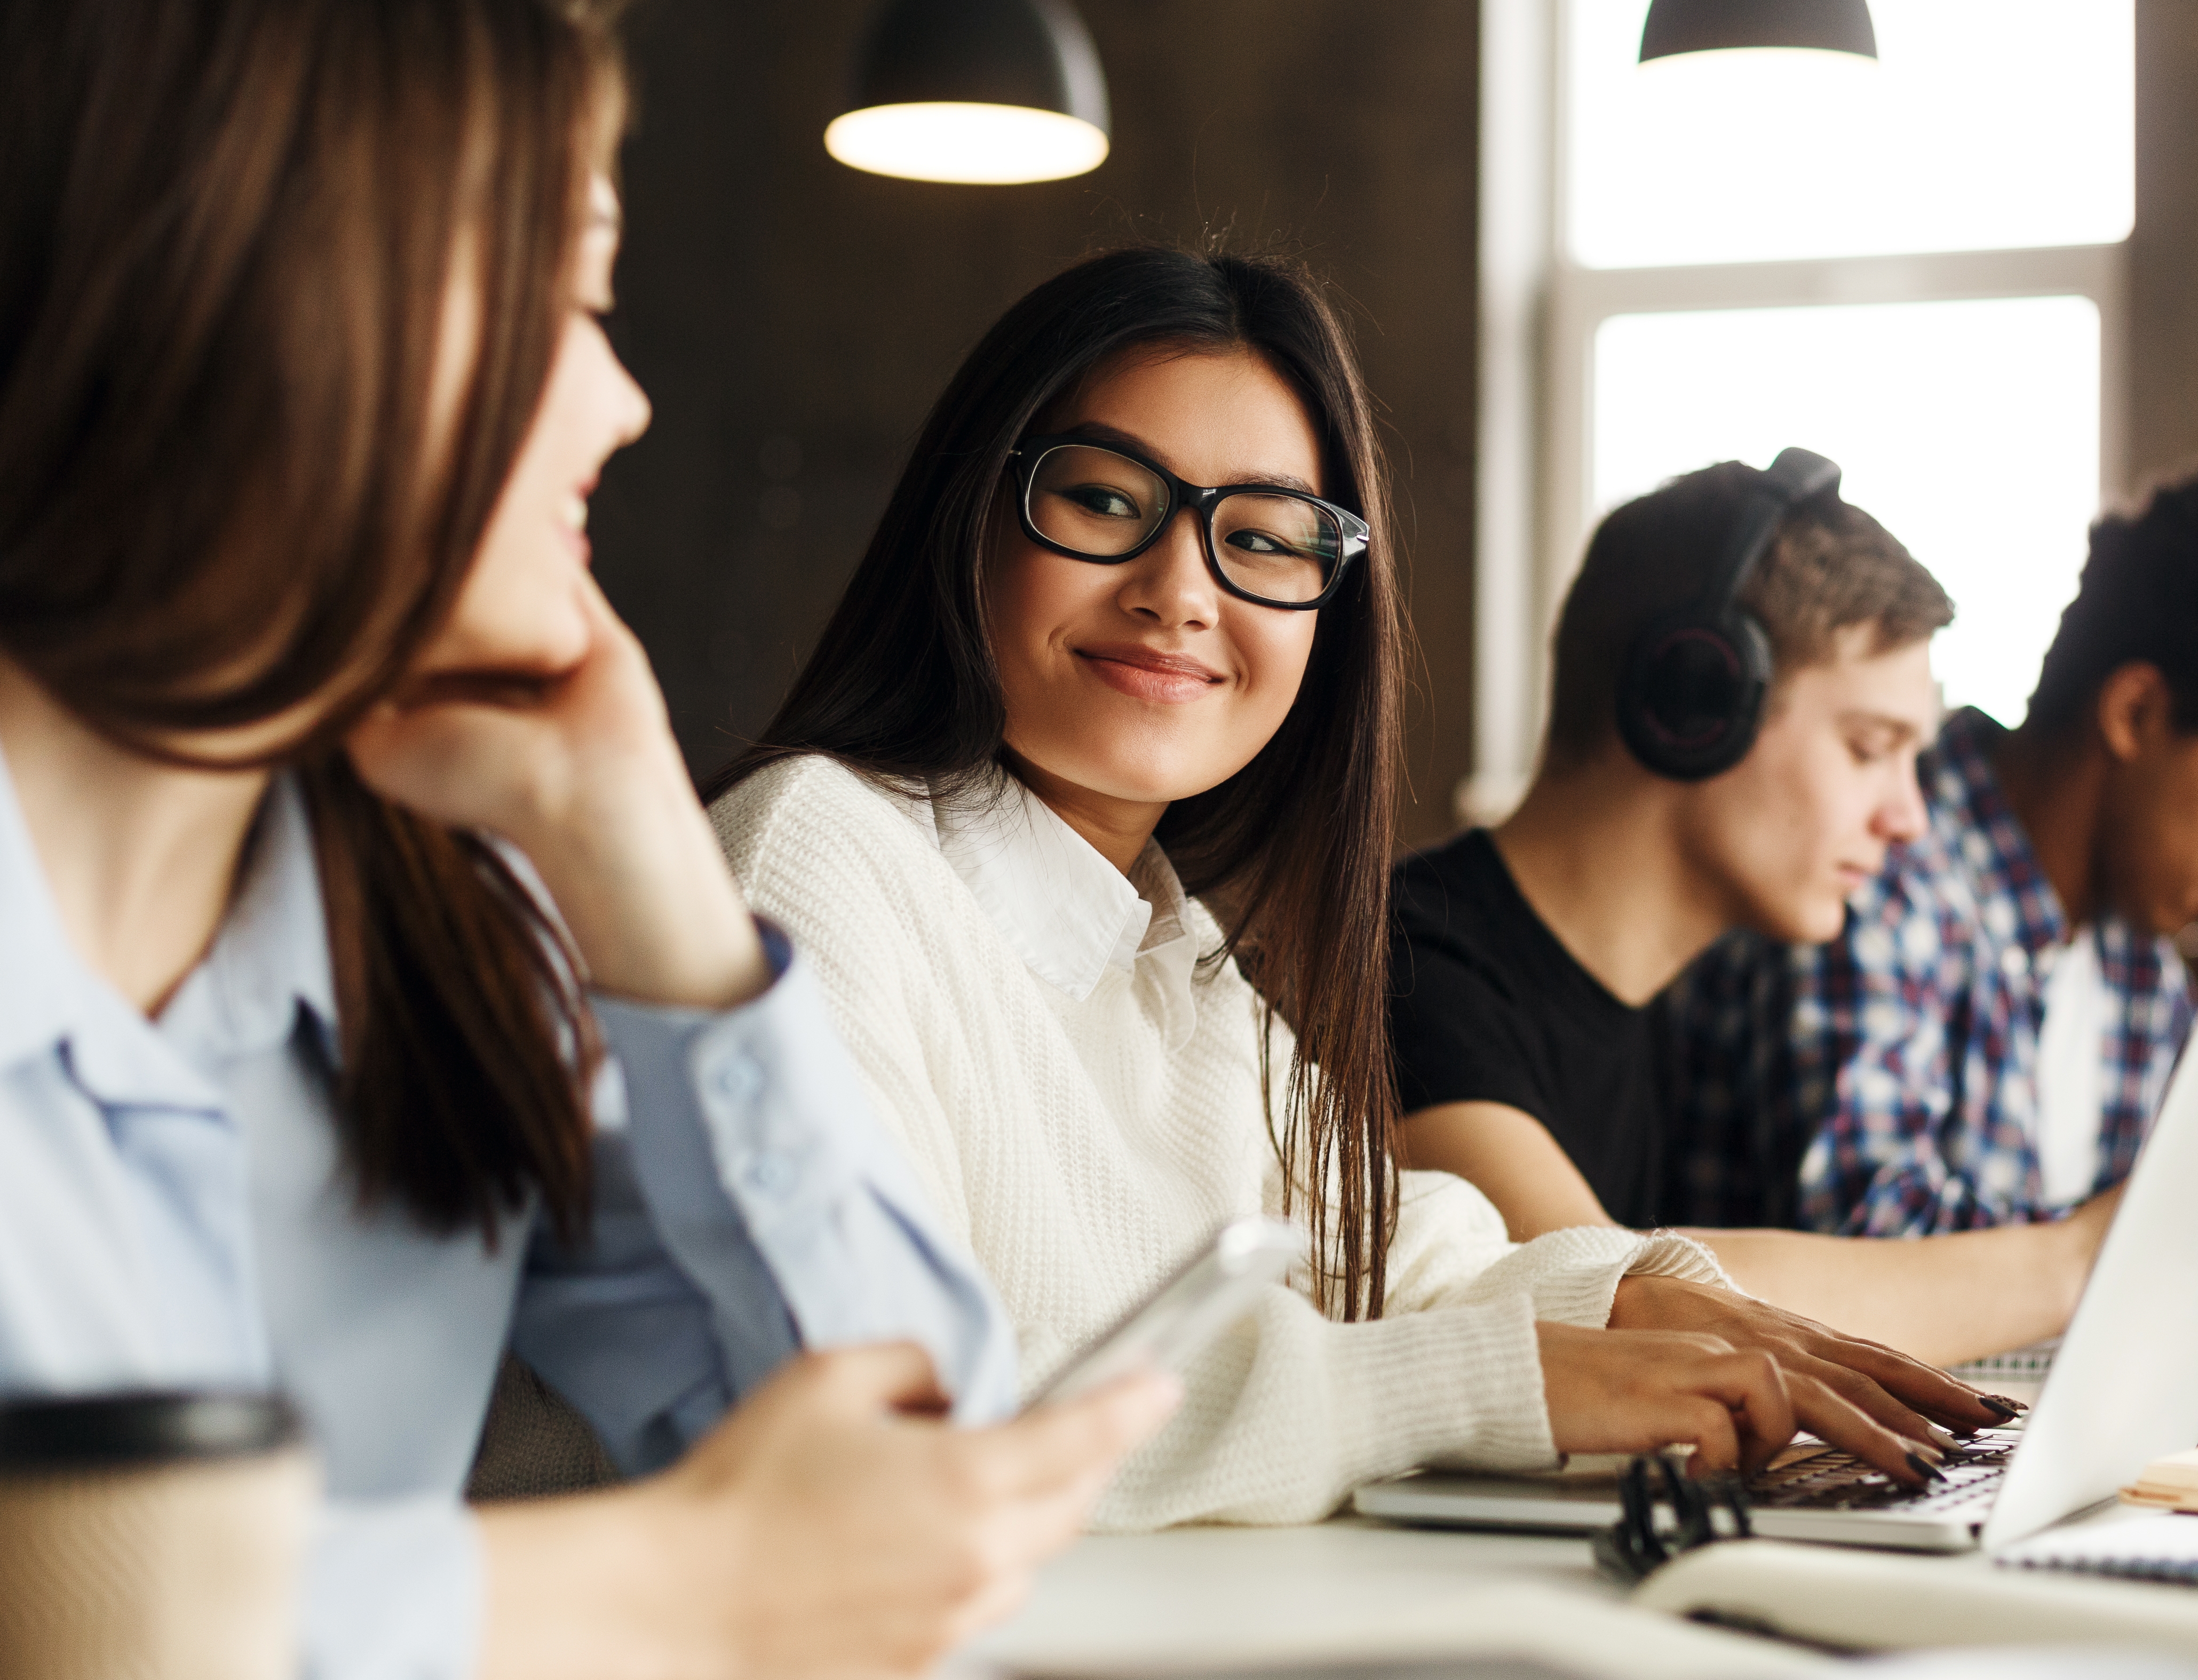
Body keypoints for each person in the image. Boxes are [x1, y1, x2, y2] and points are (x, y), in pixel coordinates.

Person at [0, 0, 1173, 1677]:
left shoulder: (441, 920)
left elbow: (919, 1502)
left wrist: (657, 889)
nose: (621, 403)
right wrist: (670, 1581)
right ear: (256, 302)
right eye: (566, 298)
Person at [709, 247, 2018, 1526]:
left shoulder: (1164, 946)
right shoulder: (808, 858)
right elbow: (890, 1418)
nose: (1181, 592)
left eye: (1266, 538)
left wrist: (1636, 1296)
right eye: (1107, 501)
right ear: (970, 519)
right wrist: (1498, 1378)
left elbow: (1394, 1249)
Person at [1391, 458, 2117, 1365]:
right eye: (1866, 748)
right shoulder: (1406, 971)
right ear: (1694, 701)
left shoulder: (1679, 1012)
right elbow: (1610, 1305)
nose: (1909, 818)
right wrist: (2086, 1258)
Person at [1669, 458, 2198, 1239]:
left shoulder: (2135, 955)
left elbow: (2169, 1223)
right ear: (2135, 714)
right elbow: (1870, 1231)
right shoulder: (1869, 868)